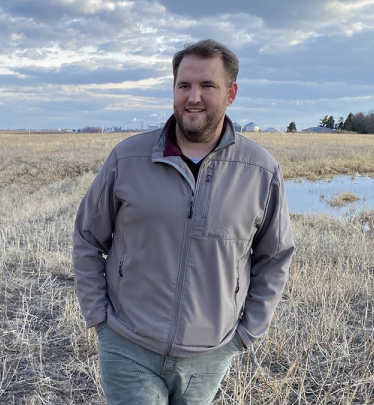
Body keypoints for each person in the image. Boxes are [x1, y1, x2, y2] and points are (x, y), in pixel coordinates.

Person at [72, 39, 294, 404]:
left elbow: (275, 256)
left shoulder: (260, 170)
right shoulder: (127, 158)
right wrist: (99, 318)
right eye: (184, 85)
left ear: (231, 92)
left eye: (208, 86)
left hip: (211, 354)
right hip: (129, 344)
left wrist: (247, 333)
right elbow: (87, 236)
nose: (193, 97)